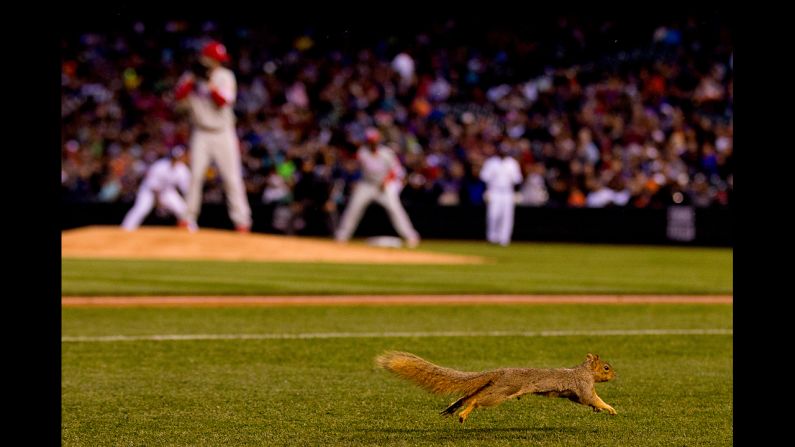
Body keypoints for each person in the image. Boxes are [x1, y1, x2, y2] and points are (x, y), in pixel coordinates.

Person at [174, 40, 252, 233]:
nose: (217, 63)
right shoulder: (191, 78)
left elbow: (224, 101)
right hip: (200, 133)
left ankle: (242, 221)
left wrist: (209, 84)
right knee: (195, 177)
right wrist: (193, 81)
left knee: (231, 178)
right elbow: (178, 98)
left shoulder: (225, 76)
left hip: (223, 132)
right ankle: (187, 218)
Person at [334, 128, 420, 247]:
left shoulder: (386, 153)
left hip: (384, 185)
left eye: (374, 140)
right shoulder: (362, 153)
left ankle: (411, 236)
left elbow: (395, 170)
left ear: (378, 140)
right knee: (353, 208)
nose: (372, 143)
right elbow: (352, 163)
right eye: (370, 141)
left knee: (395, 210)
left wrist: (386, 181)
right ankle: (342, 236)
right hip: (367, 184)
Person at [121, 146, 191, 231]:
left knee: (182, 208)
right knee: (142, 208)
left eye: (179, 157)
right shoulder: (159, 166)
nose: (176, 159)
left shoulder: (182, 169)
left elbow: (186, 189)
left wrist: (189, 199)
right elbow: (153, 186)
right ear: (171, 157)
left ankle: (193, 230)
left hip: (167, 191)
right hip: (148, 190)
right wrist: (159, 204)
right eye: (175, 157)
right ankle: (126, 228)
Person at [479, 147, 523, 246]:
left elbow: (517, 180)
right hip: (494, 191)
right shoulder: (491, 162)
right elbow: (484, 178)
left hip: (507, 192)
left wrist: (517, 193)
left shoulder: (512, 163)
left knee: (507, 216)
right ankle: (492, 237)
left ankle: (504, 239)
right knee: (493, 215)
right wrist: (486, 191)